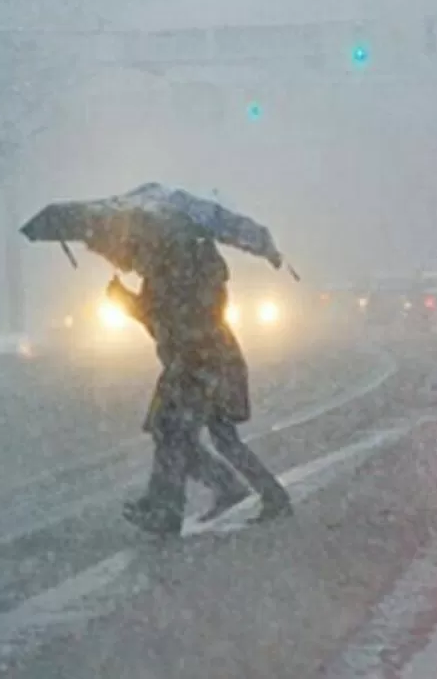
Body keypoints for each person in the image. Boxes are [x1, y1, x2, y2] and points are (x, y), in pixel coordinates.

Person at [90, 228, 292, 535]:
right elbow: (159, 318)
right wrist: (128, 300)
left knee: (174, 432)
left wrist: (126, 300)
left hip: (200, 365)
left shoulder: (182, 270)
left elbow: (167, 318)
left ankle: (168, 508)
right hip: (200, 364)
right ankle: (241, 491)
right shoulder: (181, 269)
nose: (131, 261)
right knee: (197, 434)